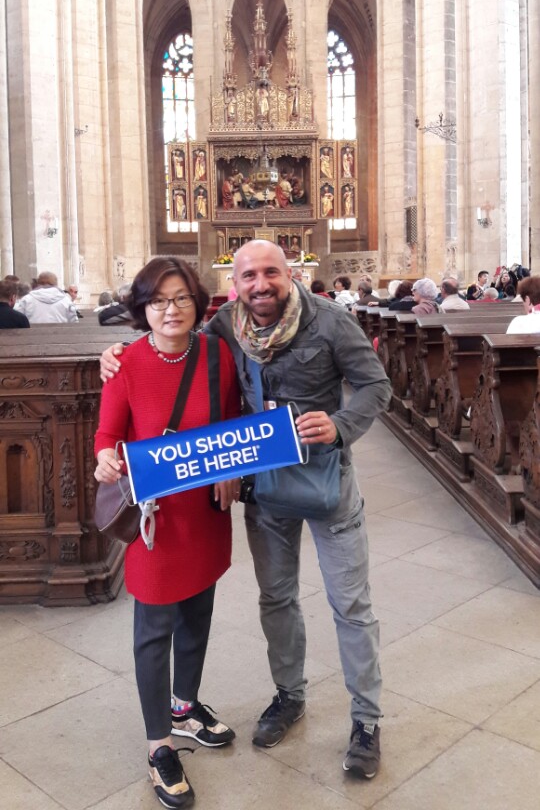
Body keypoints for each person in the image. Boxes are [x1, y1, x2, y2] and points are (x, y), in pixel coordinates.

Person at [100, 241, 392, 781]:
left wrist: (341, 425)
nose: (261, 284)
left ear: (290, 273)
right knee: (277, 598)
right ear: (233, 284)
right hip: (267, 490)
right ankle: (289, 696)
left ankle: (366, 721)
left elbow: (377, 385)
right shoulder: (224, 327)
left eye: (271, 272)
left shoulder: (331, 321)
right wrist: (116, 352)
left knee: (351, 605)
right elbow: (167, 340)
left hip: (328, 483)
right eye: (249, 275)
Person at [94, 256, 241, 809]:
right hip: (157, 519)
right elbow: (107, 435)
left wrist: (232, 470)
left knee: (198, 612)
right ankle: (159, 744)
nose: (170, 309)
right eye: (158, 301)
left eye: (180, 298)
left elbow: (232, 424)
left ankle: (184, 706)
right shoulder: (125, 362)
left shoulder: (217, 355)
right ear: (143, 308)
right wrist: (106, 459)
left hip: (204, 511)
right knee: (154, 628)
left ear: (197, 303)